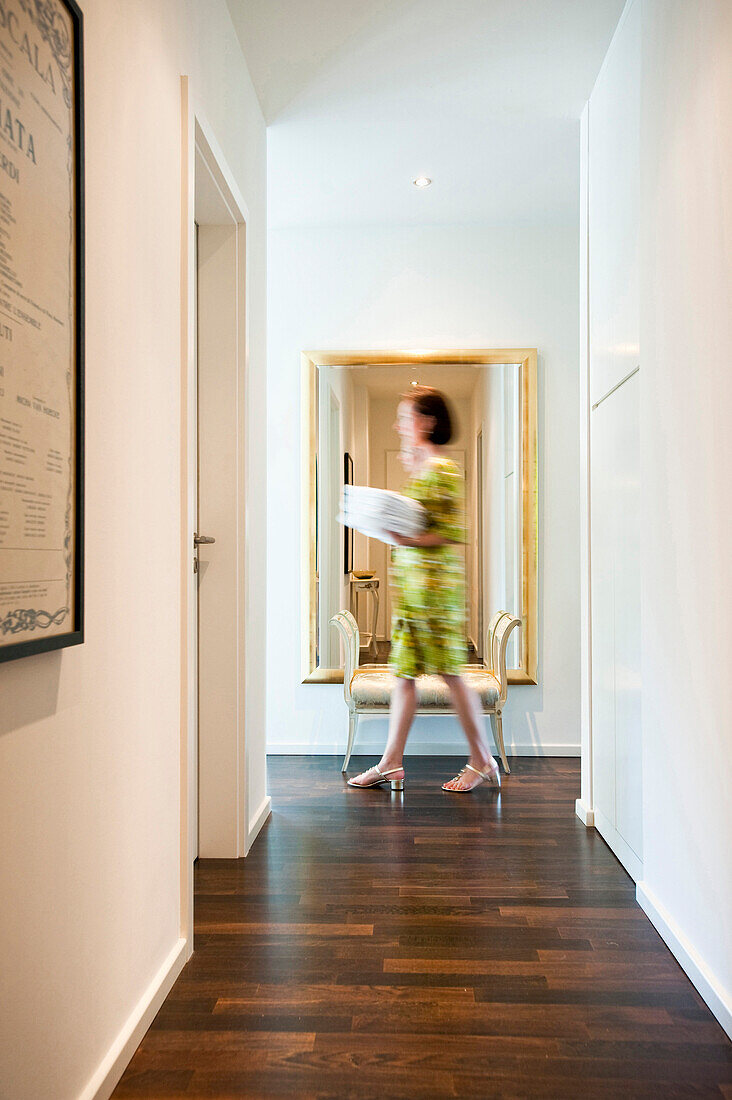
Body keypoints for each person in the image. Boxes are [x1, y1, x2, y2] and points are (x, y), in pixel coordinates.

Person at [348, 385, 501, 793]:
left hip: (435, 594)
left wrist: (402, 536)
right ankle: (391, 762)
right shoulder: (424, 469)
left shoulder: (445, 470)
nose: (398, 424)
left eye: (405, 416)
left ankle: (482, 760)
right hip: (415, 592)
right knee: (404, 676)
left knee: (450, 674)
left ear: (427, 421)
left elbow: (449, 534)